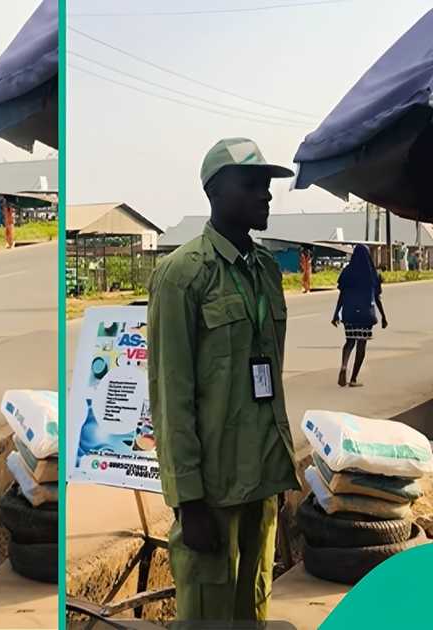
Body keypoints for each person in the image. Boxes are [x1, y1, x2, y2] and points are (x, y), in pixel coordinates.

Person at [147, 138, 299, 623]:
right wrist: (188, 500)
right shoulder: (182, 275)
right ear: (214, 191)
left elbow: (268, 381)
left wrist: (278, 471)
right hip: (212, 492)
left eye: (268, 185)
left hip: (260, 479)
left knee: (251, 610)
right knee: (208, 615)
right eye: (251, 184)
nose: (266, 195)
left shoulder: (267, 273)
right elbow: (171, 395)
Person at [332, 244, 387, 387]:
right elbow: (377, 297)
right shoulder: (372, 273)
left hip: (349, 312)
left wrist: (335, 315)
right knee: (361, 345)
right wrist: (383, 317)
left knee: (349, 341)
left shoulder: (347, 272)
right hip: (365, 314)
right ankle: (354, 379)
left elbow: (342, 295)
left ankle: (344, 366)